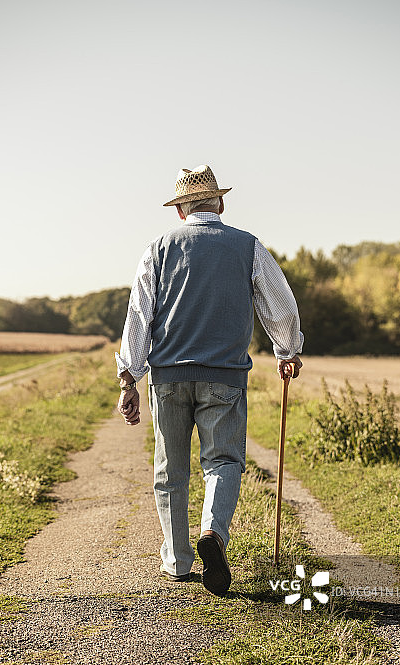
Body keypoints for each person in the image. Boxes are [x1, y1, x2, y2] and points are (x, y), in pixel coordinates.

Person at [115, 164, 303, 597]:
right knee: (222, 461)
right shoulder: (247, 246)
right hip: (225, 376)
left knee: (170, 469)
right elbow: (280, 304)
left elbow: (139, 316)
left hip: (169, 377)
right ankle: (213, 534)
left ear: (181, 210)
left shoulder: (158, 248)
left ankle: (178, 561)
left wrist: (129, 378)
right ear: (220, 203)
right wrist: (287, 350)